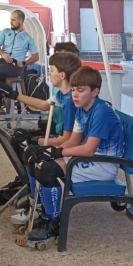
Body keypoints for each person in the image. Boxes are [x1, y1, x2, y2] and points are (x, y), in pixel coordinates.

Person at [26, 65, 124, 244]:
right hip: (91, 159)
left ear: (95, 92)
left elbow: (88, 149)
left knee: (47, 170)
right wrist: (50, 151)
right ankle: (43, 211)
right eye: (73, 90)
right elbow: (73, 141)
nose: (75, 95)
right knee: (38, 159)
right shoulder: (81, 108)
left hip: (104, 165)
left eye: (81, 90)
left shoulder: (101, 112)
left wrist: (58, 151)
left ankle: (54, 223)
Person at [8, 51, 80, 228]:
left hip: (70, 146)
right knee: (26, 147)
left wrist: (39, 142)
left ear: (62, 75)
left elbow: (67, 139)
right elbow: (42, 105)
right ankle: (35, 199)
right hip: (62, 140)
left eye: (52, 70)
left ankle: (43, 210)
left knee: (32, 152)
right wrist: (14, 95)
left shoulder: (71, 100)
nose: (49, 72)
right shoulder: (62, 94)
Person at [0, 10, 39, 110]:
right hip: (4, 59)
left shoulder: (27, 38)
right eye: (10, 20)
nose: (10, 22)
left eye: (13, 20)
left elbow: (36, 56)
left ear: (20, 21)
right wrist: (3, 54)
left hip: (16, 65)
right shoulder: (6, 32)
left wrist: (24, 63)